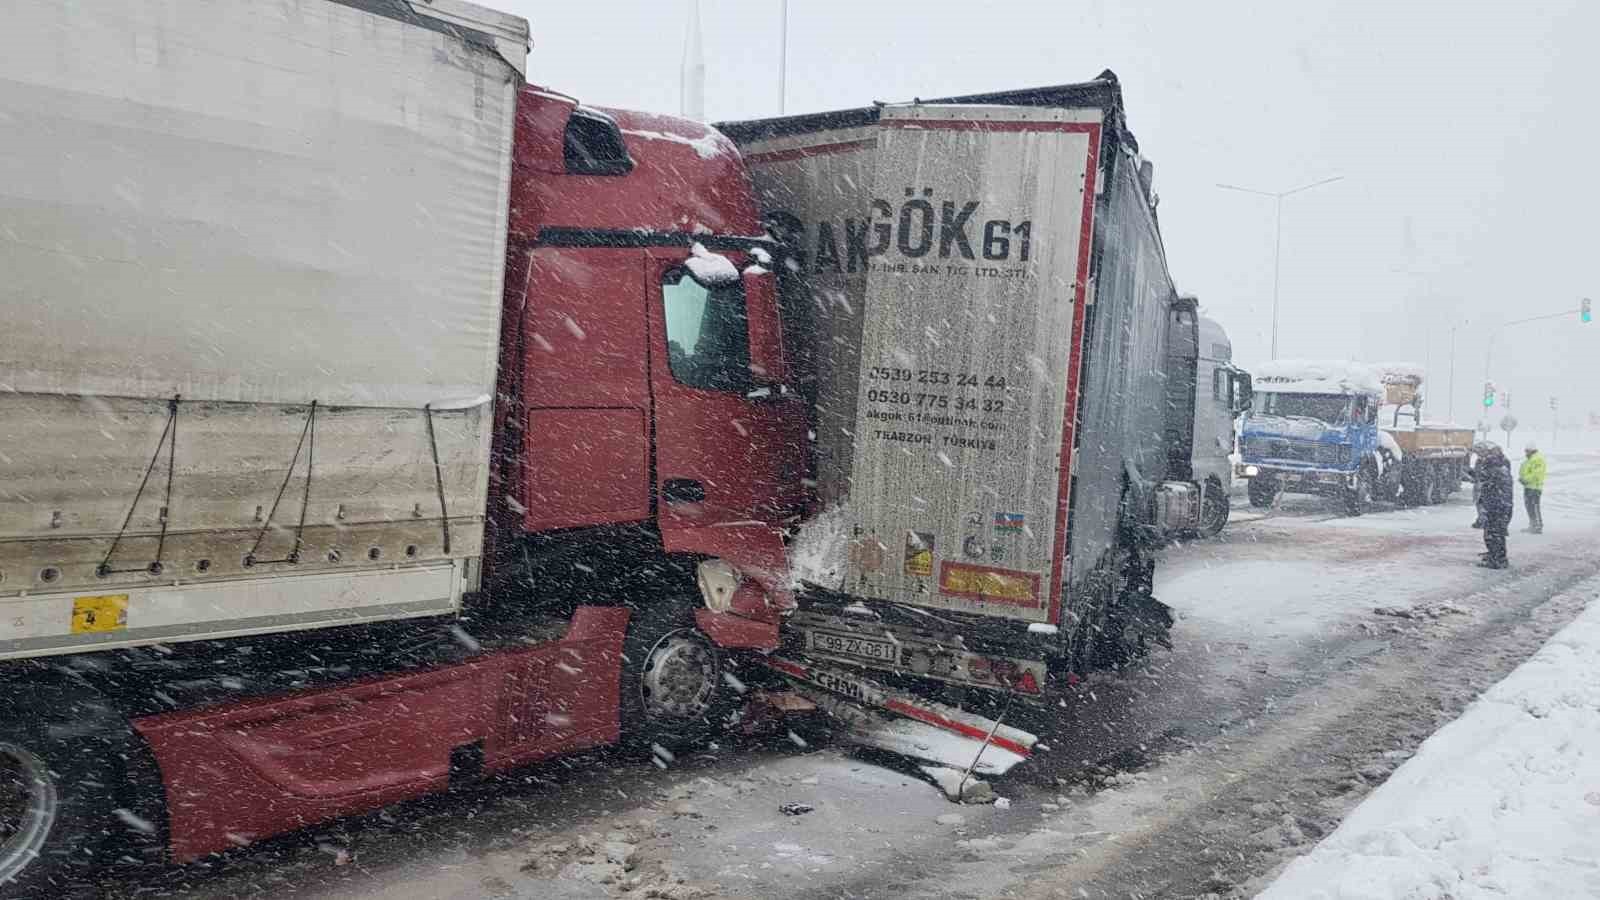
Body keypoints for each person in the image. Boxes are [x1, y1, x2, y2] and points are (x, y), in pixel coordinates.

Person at [1477, 444, 1514, 568]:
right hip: (1501, 506)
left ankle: (1497, 559)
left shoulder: (1495, 472)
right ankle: (1498, 557)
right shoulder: (1501, 470)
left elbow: (1486, 482)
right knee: (1497, 534)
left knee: (1493, 534)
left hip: (1497, 507)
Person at [1519, 442, 1546, 534]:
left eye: (1527, 451)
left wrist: (1525, 479)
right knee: (1529, 507)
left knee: (1534, 507)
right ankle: (1532, 525)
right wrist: (1522, 479)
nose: (1525, 453)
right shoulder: (1530, 459)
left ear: (1531, 451)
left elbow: (1536, 473)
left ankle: (1538, 526)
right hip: (1528, 486)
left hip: (1534, 487)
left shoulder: (1537, 459)